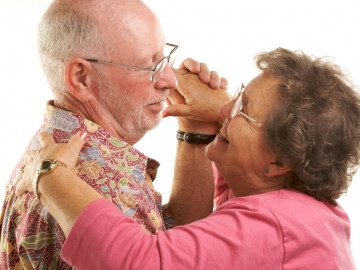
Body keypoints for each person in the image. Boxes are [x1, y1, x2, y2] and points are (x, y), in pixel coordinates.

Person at [17, 47, 359, 269]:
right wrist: (199, 125)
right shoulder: (282, 198)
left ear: (281, 160)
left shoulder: (275, 225)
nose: (225, 108)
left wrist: (51, 173)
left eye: (244, 109)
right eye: (239, 94)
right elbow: (193, 243)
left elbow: (137, 264)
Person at [0, 0, 230, 269]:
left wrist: (195, 126)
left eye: (165, 57)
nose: (170, 80)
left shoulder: (53, 140)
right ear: (81, 78)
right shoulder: (98, 185)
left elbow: (168, 243)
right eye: (150, 66)